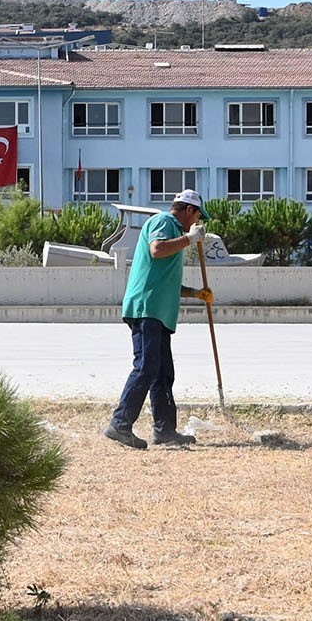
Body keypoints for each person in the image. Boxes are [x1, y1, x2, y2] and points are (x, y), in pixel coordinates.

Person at [104, 188, 214, 450]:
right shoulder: (163, 222)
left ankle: (165, 430)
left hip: (160, 312)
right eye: (198, 215)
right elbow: (156, 250)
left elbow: (167, 282)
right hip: (146, 309)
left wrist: (195, 293)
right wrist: (189, 238)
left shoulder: (176, 234)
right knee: (146, 366)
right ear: (188, 209)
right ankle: (120, 424)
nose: (198, 221)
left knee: (163, 372)